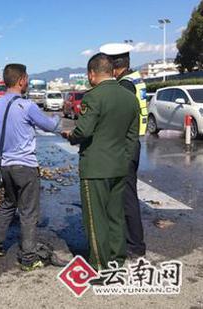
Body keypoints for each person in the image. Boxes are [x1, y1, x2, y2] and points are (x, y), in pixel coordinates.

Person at [0, 63, 61, 271]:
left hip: (5, 166)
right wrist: (58, 115)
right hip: (25, 167)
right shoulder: (28, 106)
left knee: (8, 204)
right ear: (22, 80)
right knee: (28, 213)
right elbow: (51, 126)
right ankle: (28, 258)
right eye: (27, 78)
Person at [61, 53, 139, 272]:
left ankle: (100, 265)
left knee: (96, 219)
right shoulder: (129, 97)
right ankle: (118, 259)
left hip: (95, 167)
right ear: (112, 71)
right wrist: (124, 160)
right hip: (119, 166)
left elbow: (83, 130)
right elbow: (132, 137)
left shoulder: (93, 97)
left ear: (92, 74)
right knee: (116, 216)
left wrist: (70, 136)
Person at [100, 43, 148, 259]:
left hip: (126, 146)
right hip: (133, 143)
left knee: (126, 196)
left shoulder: (125, 85)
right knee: (126, 194)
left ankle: (135, 245)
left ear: (114, 66)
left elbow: (119, 118)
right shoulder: (134, 79)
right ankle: (132, 241)